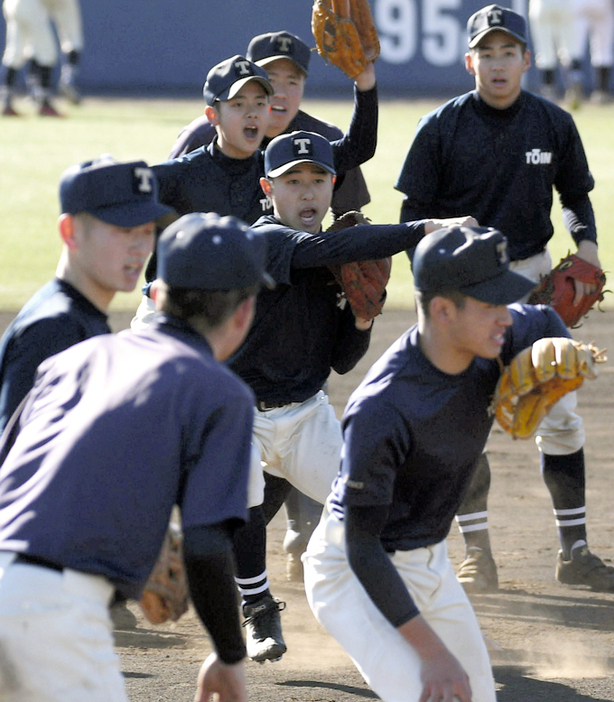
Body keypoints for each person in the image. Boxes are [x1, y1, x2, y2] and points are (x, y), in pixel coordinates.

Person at [219, 130, 475, 663]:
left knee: (371, 505)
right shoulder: (266, 240)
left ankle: (408, 609)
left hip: (305, 413)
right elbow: (328, 247)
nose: (307, 193)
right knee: (237, 490)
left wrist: (359, 316)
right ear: (268, 189)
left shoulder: (333, 262)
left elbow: (341, 359)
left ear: (334, 185)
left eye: (318, 180)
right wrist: (421, 228)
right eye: (293, 182)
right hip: (237, 411)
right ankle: (259, 610)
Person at [0, 211, 271, 702]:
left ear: (158, 294)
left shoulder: (77, 357)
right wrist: (230, 655)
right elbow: (206, 543)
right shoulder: (219, 392)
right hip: (54, 614)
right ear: (243, 313)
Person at [302, 225, 579, 702]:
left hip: (430, 561)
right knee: (428, 693)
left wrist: (558, 350)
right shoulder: (382, 409)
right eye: (491, 304)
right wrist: (432, 653)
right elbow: (362, 548)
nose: (505, 318)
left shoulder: (490, 338)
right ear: (443, 309)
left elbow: (543, 321)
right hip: (356, 573)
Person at [394, 3, 613, 594]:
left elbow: (575, 193)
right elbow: (411, 215)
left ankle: (576, 551)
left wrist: (586, 243)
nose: (496, 64)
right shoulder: (440, 127)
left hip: (536, 284)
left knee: (560, 414)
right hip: (466, 292)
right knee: (465, 422)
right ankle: (478, 555)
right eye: (485, 54)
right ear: (469, 61)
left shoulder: (552, 123)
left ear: (527, 59)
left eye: (507, 52)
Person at [168, 30, 371, 223]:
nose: (280, 93)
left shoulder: (323, 139)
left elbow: (348, 215)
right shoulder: (201, 137)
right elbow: (164, 212)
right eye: (270, 80)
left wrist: (366, 84)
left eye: (292, 82)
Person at [1, 0, 62, 116]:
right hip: (29, 4)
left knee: (14, 54)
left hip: (11, 4)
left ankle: (6, 102)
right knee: (47, 53)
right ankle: (44, 103)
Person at [528, 0, 583, 107]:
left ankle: (549, 91)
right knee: (570, 49)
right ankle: (573, 81)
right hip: (566, 5)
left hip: (541, 5)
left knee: (545, 51)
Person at [570, 0, 614, 104]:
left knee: (574, 47)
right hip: (603, 4)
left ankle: (574, 88)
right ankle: (601, 91)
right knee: (603, 48)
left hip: (578, 4)